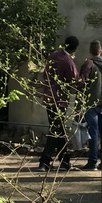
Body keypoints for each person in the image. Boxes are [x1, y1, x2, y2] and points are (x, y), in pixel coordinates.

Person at [37, 36, 81, 173]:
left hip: (49, 96)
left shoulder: (53, 56)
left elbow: (45, 75)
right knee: (56, 130)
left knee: (59, 129)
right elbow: (74, 80)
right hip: (60, 99)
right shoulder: (68, 61)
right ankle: (44, 161)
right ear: (75, 48)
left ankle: (64, 160)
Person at [79, 41, 102, 171]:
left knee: (93, 133)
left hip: (91, 103)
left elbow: (81, 84)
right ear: (101, 51)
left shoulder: (88, 65)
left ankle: (92, 162)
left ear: (90, 51)